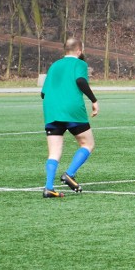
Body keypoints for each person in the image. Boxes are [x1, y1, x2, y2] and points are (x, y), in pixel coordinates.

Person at [40, 38, 99, 198]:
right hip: (72, 109)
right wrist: (94, 100)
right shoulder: (80, 64)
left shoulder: (54, 66)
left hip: (51, 110)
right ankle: (69, 174)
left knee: (54, 152)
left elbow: (43, 93)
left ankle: (49, 188)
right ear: (79, 50)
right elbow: (80, 80)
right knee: (88, 143)